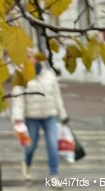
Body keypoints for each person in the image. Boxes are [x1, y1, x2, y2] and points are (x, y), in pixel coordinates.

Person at [11, 52, 68, 186]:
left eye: (31, 56)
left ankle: (54, 175)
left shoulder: (49, 74)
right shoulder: (22, 75)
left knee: (53, 144)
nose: (29, 59)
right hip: (32, 117)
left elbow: (56, 96)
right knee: (31, 146)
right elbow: (18, 99)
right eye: (26, 56)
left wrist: (63, 114)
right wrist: (18, 118)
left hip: (50, 116)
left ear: (37, 58)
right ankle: (26, 163)